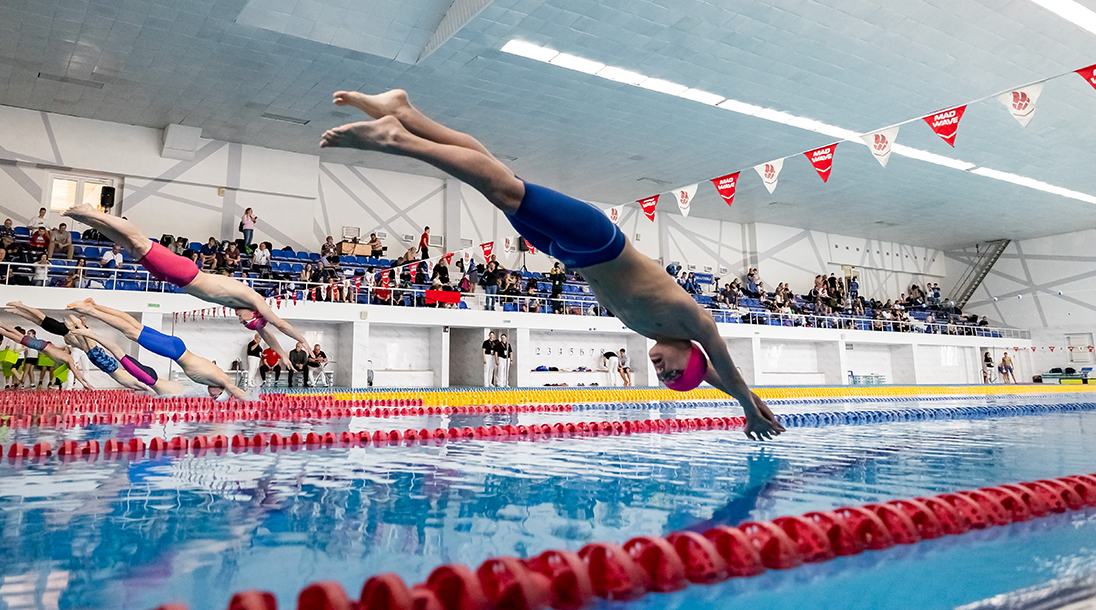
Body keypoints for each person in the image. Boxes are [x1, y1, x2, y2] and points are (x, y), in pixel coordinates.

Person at [322, 88, 782, 439]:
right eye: (673, 371)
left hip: (565, 251)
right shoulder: (693, 322)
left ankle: (404, 112)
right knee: (503, 187)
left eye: (664, 378)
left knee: (496, 177)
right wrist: (748, 406)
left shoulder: (659, 335)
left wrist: (737, 397)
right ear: (693, 355)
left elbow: (710, 377)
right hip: (598, 239)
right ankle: (396, 138)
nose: (662, 371)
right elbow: (724, 367)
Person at [63, 204, 311, 350]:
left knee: (130, 248)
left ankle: (89, 220)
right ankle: (93, 213)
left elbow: (267, 333)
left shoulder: (240, 306)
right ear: (254, 314)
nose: (240, 321)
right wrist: (305, 343)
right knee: (138, 240)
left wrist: (282, 354)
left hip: (174, 279)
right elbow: (279, 324)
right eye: (245, 322)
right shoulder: (253, 299)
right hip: (186, 273)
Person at [65, 298, 248, 399]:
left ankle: (95, 305)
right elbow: (238, 391)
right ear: (221, 390)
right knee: (130, 330)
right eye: (216, 396)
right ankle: (91, 311)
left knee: (132, 326)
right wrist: (255, 403)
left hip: (177, 348)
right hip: (175, 352)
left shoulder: (213, 378)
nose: (211, 396)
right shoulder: (222, 380)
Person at [61, 316, 197, 397]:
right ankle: (80, 326)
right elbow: (144, 386)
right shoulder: (141, 381)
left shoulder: (139, 379)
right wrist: (151, 391)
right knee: (90, 347)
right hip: (111, 368)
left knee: (86, 347)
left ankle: (77, 326)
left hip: (113, 367)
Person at [0, 320, 93, 390]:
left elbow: (78, 374)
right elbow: (78, 375)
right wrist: (86, 384)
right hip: (42, 346)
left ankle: (0, 325)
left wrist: (86, 384)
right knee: (18, 338)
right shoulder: (70, 360)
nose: (77, 367)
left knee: (19, 337)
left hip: (43, 345)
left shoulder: (69, 359)